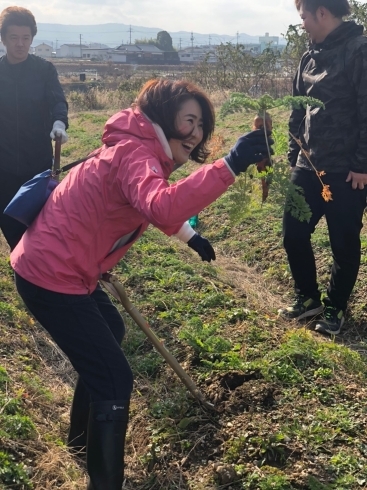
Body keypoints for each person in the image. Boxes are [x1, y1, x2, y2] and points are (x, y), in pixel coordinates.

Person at [10, 78, 272, 489]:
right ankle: (105, 482)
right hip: (52, 275)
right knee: (115, 378)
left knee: (110, 333)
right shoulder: (136, 152)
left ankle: (80, 445)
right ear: (163, 117)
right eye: (189, 120)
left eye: (202, 124)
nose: (197, 133)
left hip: (63, 266)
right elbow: (158, 203)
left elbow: (149, 204)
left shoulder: (136, 146)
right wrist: (229, 167)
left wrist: (191, 236)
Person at [278, 0, 367, 335]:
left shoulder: (359, 51)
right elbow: (298, 109)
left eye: (303, 17)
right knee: (293, 232)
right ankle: (307, 298)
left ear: (322, 13)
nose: (302, 24)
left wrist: (362, 165)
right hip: (309, 163)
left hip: (348, 171)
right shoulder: (308, 55)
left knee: (343, 243)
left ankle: (334, 307)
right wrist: (293, 154)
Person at [0, 6, 68, 250]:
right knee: (9, 221)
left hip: (36, 163)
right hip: (3, 166)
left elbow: (57, 101)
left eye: (26, 38)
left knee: (38, 223)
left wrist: (59, 122)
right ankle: (23, 264)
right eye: (14, 37)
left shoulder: (44, 70)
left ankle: (34, 265)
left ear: (32, 38)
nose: (20, 44)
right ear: (4, 38)